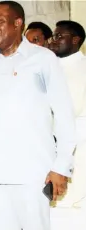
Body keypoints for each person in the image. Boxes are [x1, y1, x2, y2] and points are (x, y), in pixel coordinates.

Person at [0, 1, 76, 230]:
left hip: (33, 173)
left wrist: (61, 166)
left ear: (18, 23)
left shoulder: (43, 59)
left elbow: (63, 114)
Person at [50, 20, 86, 208]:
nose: (53, 40)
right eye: (53, 36)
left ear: (75, 40)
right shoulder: (52, 65)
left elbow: (71, 108)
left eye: (59, 36)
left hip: (77, 147)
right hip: (51, 146)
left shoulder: (81, 68)